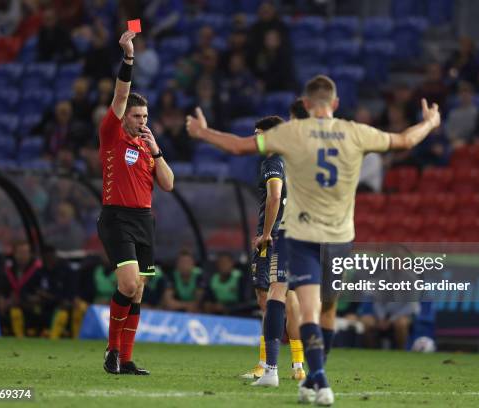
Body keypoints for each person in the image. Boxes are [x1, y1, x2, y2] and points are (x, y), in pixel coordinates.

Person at [186, 75, 440, 405]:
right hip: (339, 237)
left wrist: (203, 132)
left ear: (306, 105)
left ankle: (314, 380)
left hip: (302, 235)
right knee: (328, 312)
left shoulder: (294, 132)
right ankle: (317, 380)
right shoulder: (355, 131)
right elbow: (405, 141)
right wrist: (430, 123)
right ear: (334, 104)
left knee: (308, 312)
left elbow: (237, 146)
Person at [98, 30, 174, 376]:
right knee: (128, 284)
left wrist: (156, 149)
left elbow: (169, 184)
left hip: (145, 220)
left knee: (139, 291)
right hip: (117, 217)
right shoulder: (112, 135)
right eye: (136, 117)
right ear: (124, 117)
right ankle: (112, 352)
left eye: (145, 117)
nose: (141, 122)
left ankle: (125, 359)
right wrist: (129, 57)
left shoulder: (147, 148)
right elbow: (120, 93)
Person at [242, 115, 305, 386]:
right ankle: (299, 364)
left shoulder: (272, 162)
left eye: (261, 134)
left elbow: (275, 195)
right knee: (288, 298)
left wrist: (266, 234)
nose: (257, 139)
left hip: (276, 238)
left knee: (266, 297)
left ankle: (265, 366)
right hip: (297, 236)